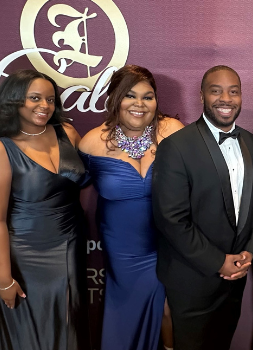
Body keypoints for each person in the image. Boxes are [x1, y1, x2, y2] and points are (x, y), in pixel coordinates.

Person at [151, 65, 253, 350]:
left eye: (233, 91)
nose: (226, 98)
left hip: (235, 277)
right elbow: (171, 219)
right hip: (192, 279)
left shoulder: (252, 143)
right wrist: (218, 261)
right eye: (216, 90)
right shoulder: (176, 147)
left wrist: (249, 250)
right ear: (201, 96)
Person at [0, 69, 89, 349]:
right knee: (33, 330)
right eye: (35, 98)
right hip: (28, 254)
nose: (45, 106)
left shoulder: (67, 132)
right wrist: (4, 280)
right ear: (14, 100)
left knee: (71, 322)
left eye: (50, 100)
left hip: (72, 245)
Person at [78, 65, 183, 350]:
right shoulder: (92, 143)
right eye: (130, 96)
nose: (139, 104)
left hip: (167, 242)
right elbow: (70, 185)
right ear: (115, 98)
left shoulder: (173, 132)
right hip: (122, 247)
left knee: (168, 310)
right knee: (127, 310)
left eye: (148, 97)